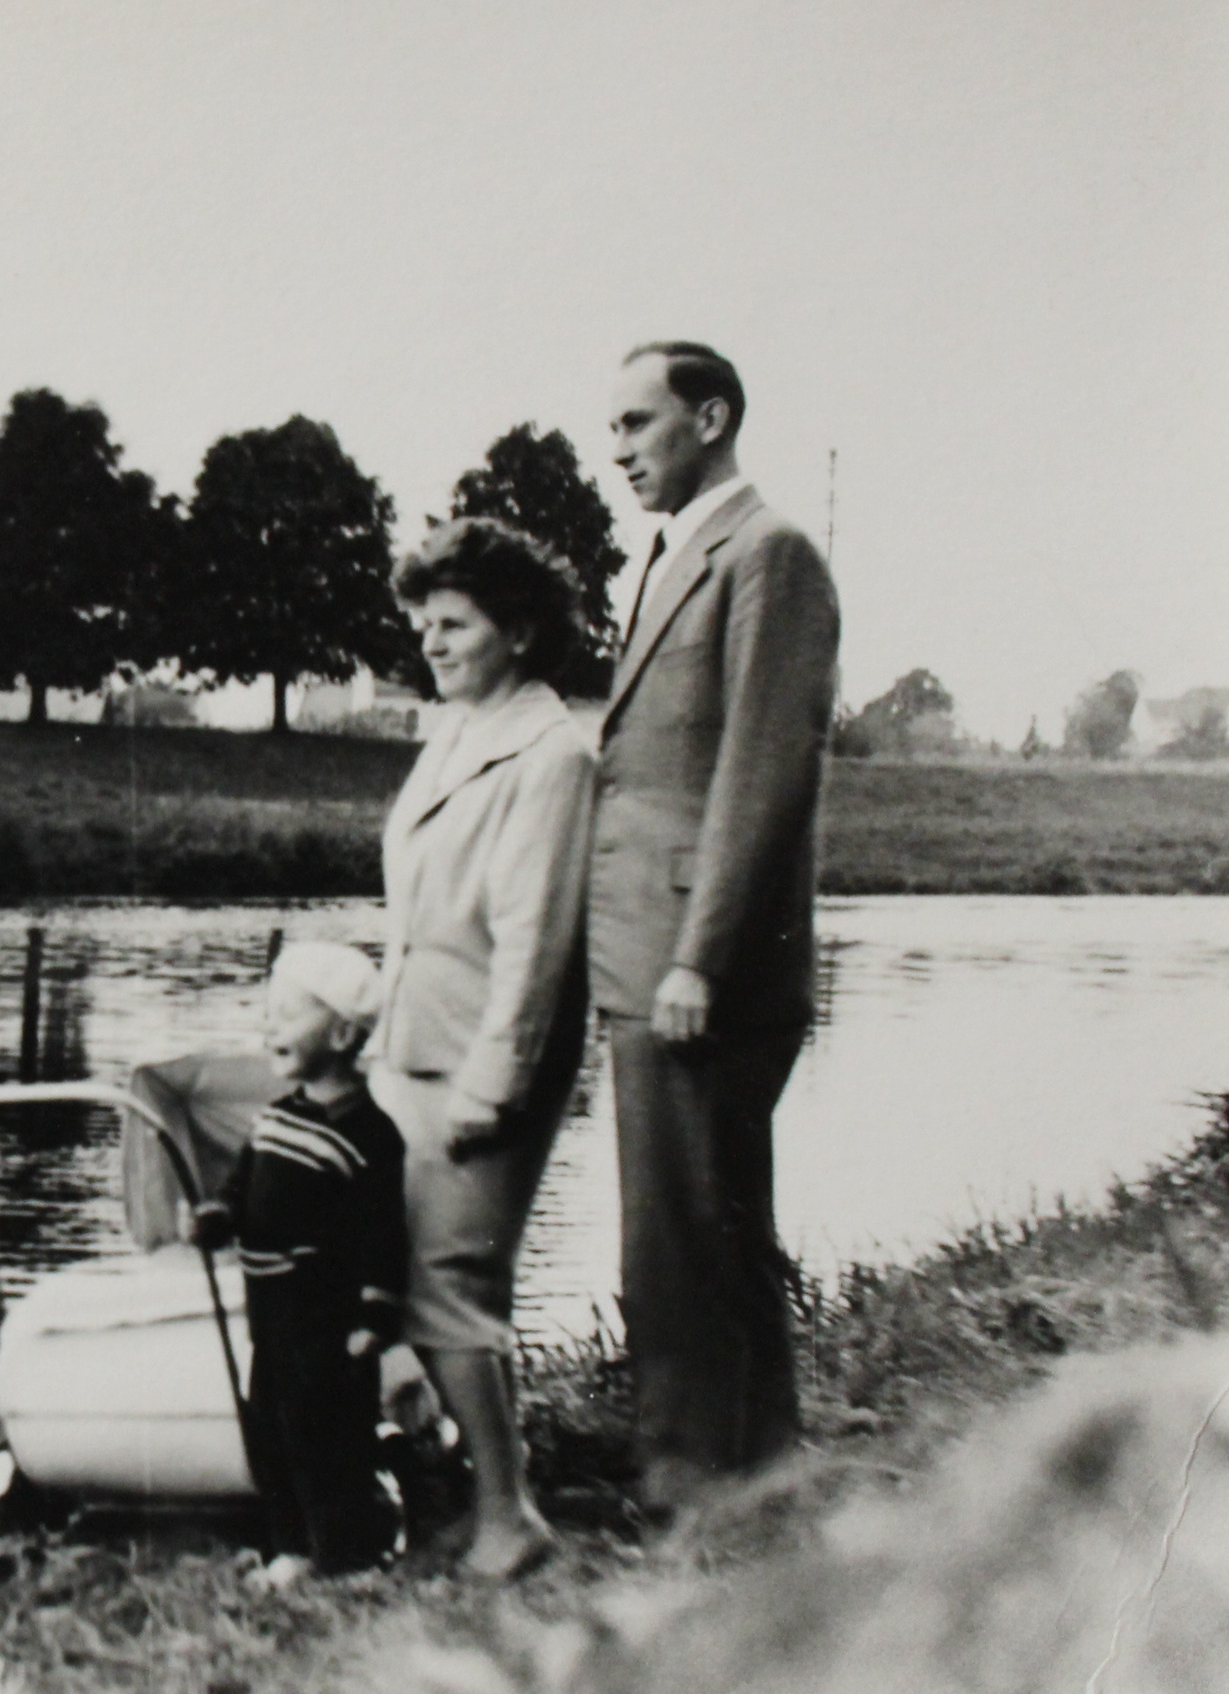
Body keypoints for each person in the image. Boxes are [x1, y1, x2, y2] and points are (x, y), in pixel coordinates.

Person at [594, 342, 840, 1515]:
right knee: (687, 1221)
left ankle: (703, 1481)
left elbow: (762, 768)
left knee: (691, 1226)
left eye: (637, 423)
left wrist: (697, 954)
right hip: (644, 950)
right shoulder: (672, 558)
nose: (619, 450)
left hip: (699, 962)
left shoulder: (769, 553)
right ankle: (747, 1469)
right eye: (614, 427)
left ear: (711, 417)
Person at [369, 517, 594, 1581]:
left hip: (479, 1060)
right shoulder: (456, 732)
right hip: (410, 1046)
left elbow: (534, 940)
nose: (432, 641)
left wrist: (494, 1084)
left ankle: (510, 1517)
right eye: (424, 623)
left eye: (454, 623)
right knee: (430, 1283)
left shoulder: (551, 754)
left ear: (520, 630)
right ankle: (466, 1502)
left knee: (450, 1287)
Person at [191, 942, 407, 1585]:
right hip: (271, 1318)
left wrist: (376, 1313)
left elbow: (383, 1232)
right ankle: (293, 1548)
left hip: (326, 1324)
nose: (271, 1027)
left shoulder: (370, 1134)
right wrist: (216, 1218)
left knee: (329, 1440)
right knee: (272, 1434)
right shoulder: (274, 1118)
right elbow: (241, 1190)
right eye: (269, 1014)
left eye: (287, 1015)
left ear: (341, 1034)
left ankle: (351, 1555)